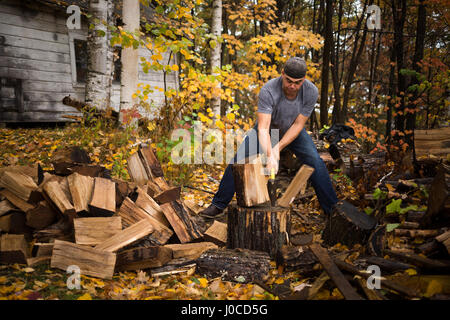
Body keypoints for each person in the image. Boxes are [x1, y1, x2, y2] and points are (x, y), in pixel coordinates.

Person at [199, 57, 338, 218]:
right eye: (289, 81)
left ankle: (332, 210)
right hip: (267, 130)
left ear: (304, 79)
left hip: (294, 131)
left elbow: (298, 125)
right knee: (239, 161)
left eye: (297, 82)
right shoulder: (269, 90)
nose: (292, 86)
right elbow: (263, 128)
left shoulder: (311, 91)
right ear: (282, 74)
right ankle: (218, 205)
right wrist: (270, 155)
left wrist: (277, 148)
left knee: (315, 161)